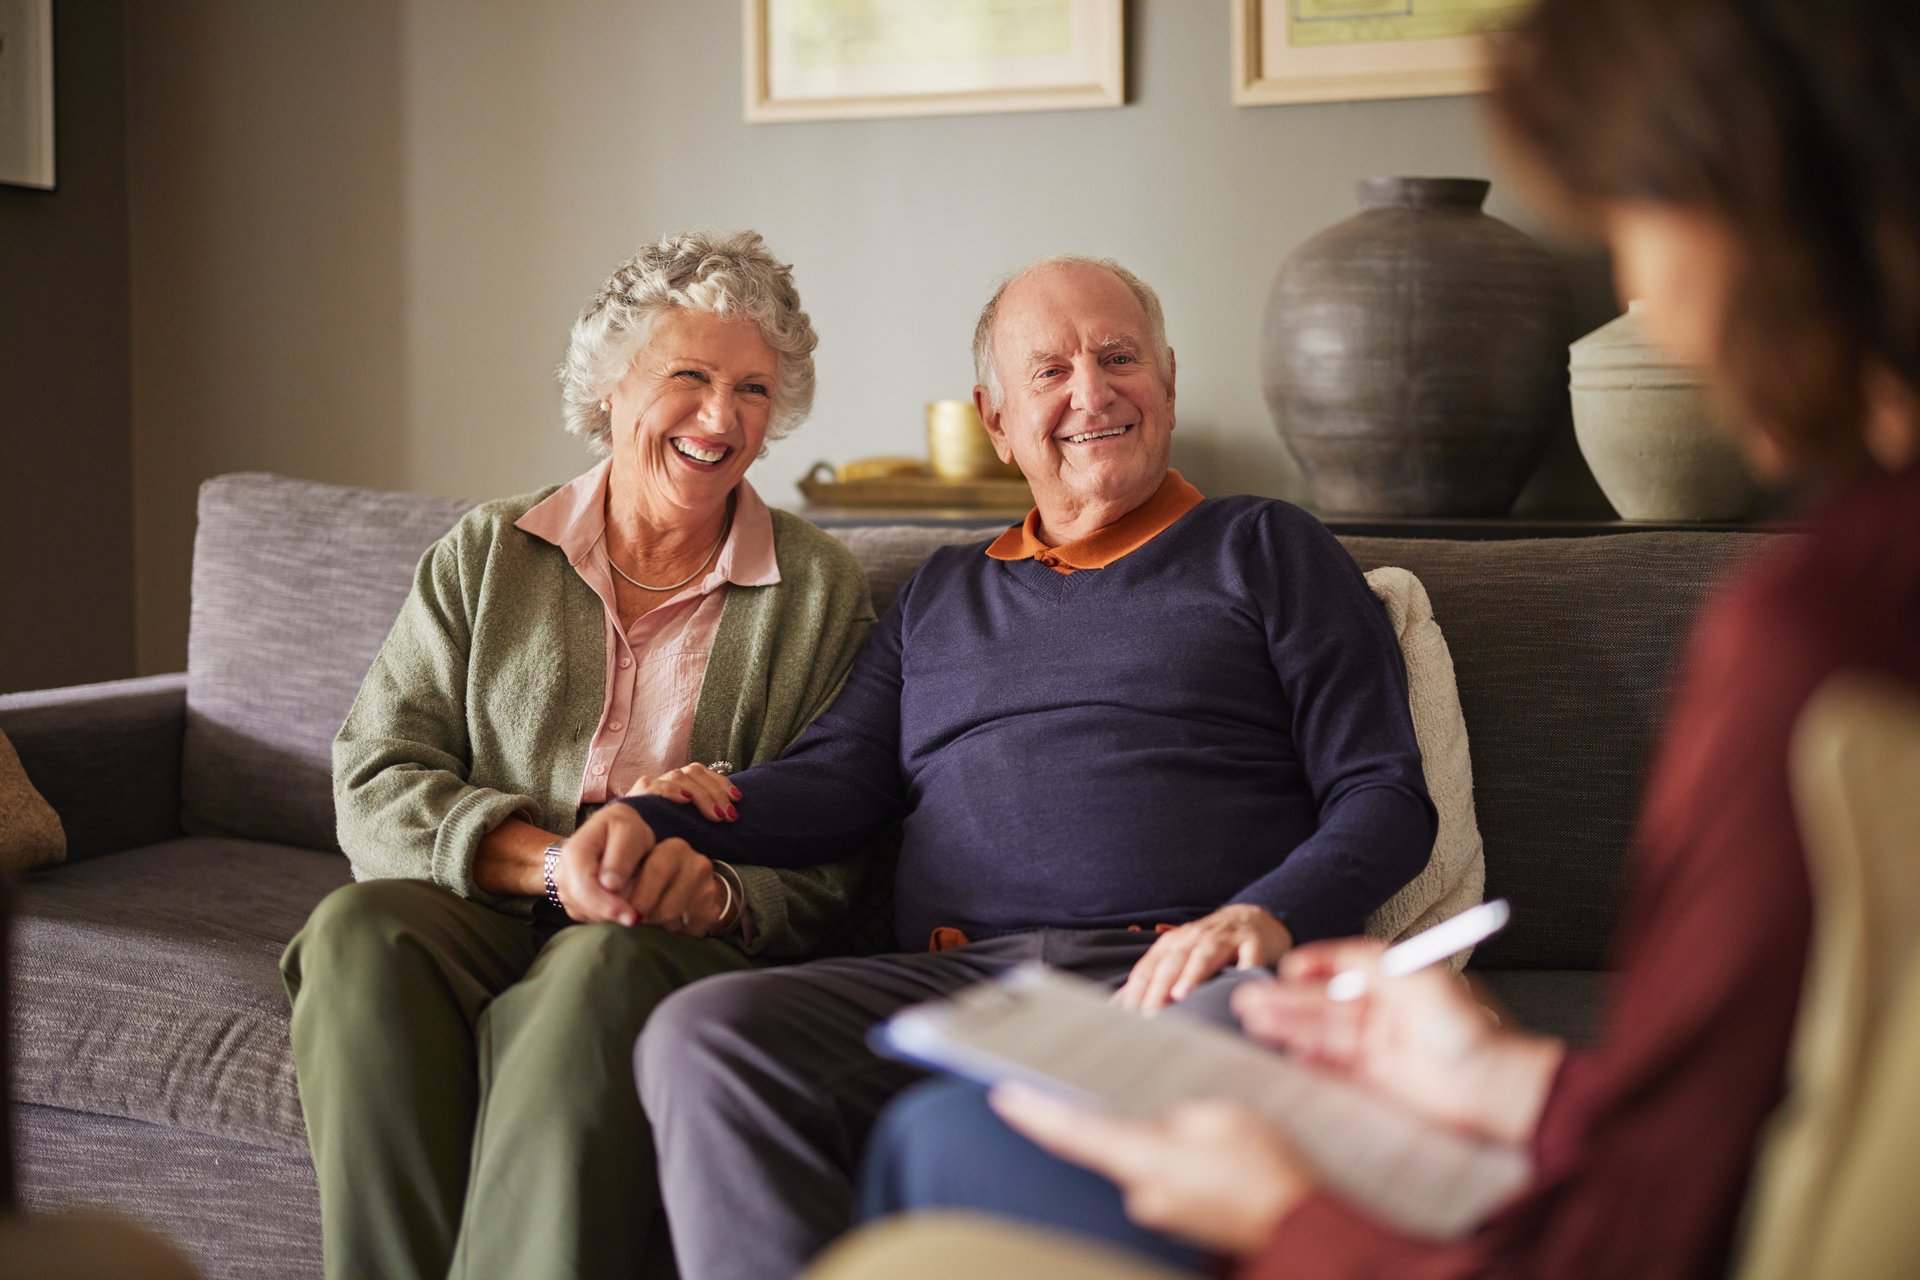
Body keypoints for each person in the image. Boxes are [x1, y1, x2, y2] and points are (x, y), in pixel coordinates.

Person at [850, 2, 1920, 1278]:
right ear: (999, 416)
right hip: (973, 981)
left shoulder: (1822, 637)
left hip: (1202, 998)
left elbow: (1644, 1224)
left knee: (936, 1169)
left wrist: (1286, 1213)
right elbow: (1724, 1142)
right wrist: (1515, 1079)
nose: (1648, 299)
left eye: (1642, 214)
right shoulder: (1843, 606)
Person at [557, 253, 1444, 1280]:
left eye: (1120, 358)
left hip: (1175, 968)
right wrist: (658, 818)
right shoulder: (942, 594)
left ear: (1166, 378)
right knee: (705, 1034)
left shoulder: (1265, 546)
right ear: (997, 419)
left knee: (996, 1118)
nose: (1092, 391)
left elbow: (1382, 791)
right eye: (1051, 371)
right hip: (961, 977)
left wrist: (1266, 915)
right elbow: (838, 780)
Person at [279, 230, 876, 1280]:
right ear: (609, 388)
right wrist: (556, 865)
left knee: (595, 970)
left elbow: (840, 834)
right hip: (494, 897)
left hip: (656, 932)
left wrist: (723, 890)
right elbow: (375, 775)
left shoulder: (820, 590)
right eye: (688, 376)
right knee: (358, 930)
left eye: (750, 388)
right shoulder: (488, 552)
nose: (720, 416)